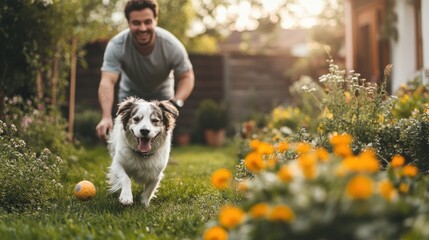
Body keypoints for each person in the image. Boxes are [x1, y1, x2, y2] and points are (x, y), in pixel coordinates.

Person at [96, 0, 195, 140]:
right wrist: (106, 116)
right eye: (136, 23)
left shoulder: (171, 45)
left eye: (148, 22)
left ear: (156, 20)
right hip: (130, 94)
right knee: (124, 141)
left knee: (159, 143)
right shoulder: (117, 45)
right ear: (128, 23)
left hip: (162, 96)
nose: (142, 28)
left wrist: (176, 102)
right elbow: (107, 81)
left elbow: (187, 76)